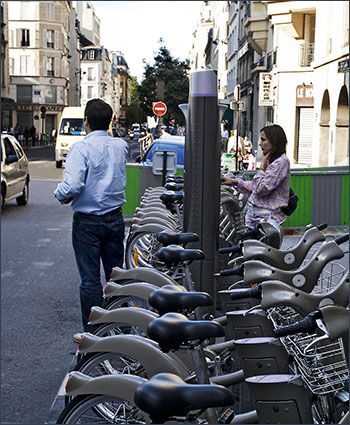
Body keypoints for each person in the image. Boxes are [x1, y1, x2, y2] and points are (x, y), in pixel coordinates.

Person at [54, 99, 129, 334]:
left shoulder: (81, 148)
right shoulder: (120, 146)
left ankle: (95, 331)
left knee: (89, 280)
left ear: (86, 121)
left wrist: (59, 193)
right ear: (109, 122)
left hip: (87, 221)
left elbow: (73, 185)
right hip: (115, 218)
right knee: (116, 276)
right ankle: (123, 325)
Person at [221, 124, 290, 229]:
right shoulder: (271, 161)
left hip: (266, 220)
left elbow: (261, 188)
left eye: (263, 140)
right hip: (255, 218)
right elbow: (254, 186)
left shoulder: (281, 162)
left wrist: (261, 169)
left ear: (274, 141)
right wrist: (234, 182)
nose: (260, 144)